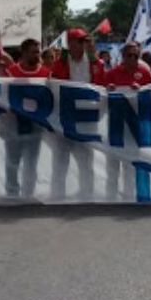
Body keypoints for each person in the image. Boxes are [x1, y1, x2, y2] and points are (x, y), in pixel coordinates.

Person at [49, 28, 106, 200]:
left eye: (85, 41)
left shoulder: (97, 64)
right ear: (70, 44)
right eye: (80, 41)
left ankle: (87, 192)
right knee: (61, 157)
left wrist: (99, 111)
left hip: (87, 116)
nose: (83, 45)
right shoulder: (60, 64)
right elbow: (52, 87)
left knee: (86, 158)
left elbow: (102, 89)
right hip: (66, 115)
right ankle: (58, 193)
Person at [105, 42, 151, 200]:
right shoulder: (112, 74)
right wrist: (108, 91)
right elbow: (98, 97)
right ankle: (111, 195)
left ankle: (128, 194)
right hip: (116, 123)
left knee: (131, 160)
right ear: (123, 56)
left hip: (135, 125)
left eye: (136, 56)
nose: (133, 59)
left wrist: (141, 92)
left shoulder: (145, 73)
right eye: (129, 55)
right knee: (113, 161)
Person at [3, 39, 51, 197]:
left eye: (38, 51)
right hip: (13, 123)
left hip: (35, 124)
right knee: (12, 160)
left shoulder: (46, 73)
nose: (37, 55)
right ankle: (12, 191)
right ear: (23, 53)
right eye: (33, 52)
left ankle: (29, 192)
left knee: (31, 161)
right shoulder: (10, 72)